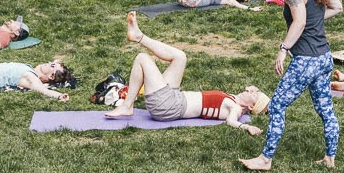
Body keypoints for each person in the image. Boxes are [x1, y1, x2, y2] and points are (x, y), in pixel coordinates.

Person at [241, 0, 343, 171]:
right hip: (324, 58)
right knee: (325, 109)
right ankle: (330, 157)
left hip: (306, 60)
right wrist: (315, 24)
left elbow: (298, 22)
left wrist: (283, 48)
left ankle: (265, 159)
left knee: (276, 105)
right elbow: (338, 6)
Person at [103, 12, 269, 133]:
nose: (251, 89)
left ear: (251, 106)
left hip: (168, 107)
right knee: (180, 57)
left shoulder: (236, 108)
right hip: (175, 97)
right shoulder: (233, 98)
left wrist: (247, 126)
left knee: (142, 58)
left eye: (255, 93)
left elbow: (232, 121)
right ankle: (139, 36)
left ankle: (127, 106)